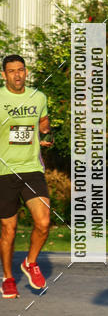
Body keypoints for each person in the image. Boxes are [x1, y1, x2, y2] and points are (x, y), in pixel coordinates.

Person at [0, 55, 52, 299]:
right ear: (4, 75)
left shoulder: (38, 97)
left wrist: (45, 132)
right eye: (11, 71)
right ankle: (8, 278)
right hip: (4, 171)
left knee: (43, 222)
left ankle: (30, 263)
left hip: (32, 169)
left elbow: (43, 121)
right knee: (8, 229)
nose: (17, 75)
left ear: (26, 72)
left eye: (21, 70)